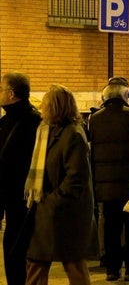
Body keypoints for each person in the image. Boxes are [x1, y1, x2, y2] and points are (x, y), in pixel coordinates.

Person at [24, 84, 97, 285]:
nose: (41, 108)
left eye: (45, 104)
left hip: (66, 213)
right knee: (36, 262)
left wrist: (53, 200)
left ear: (56, 107)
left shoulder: (72, 134)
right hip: (46, 210)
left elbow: (77, 178)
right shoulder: (46, 131)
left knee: (73, 263)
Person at [89, 77, 129, 282]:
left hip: (106, 185)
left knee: (111, 227)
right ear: (125, 95)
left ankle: (112, 270)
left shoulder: (95, 119)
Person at [0, 72, 42, 285]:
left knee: (19, 250)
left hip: (24, 198)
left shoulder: (33, 121)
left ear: (11, 93)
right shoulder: (7, 120)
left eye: (1, 89)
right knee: (11, 248)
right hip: (10, 196)